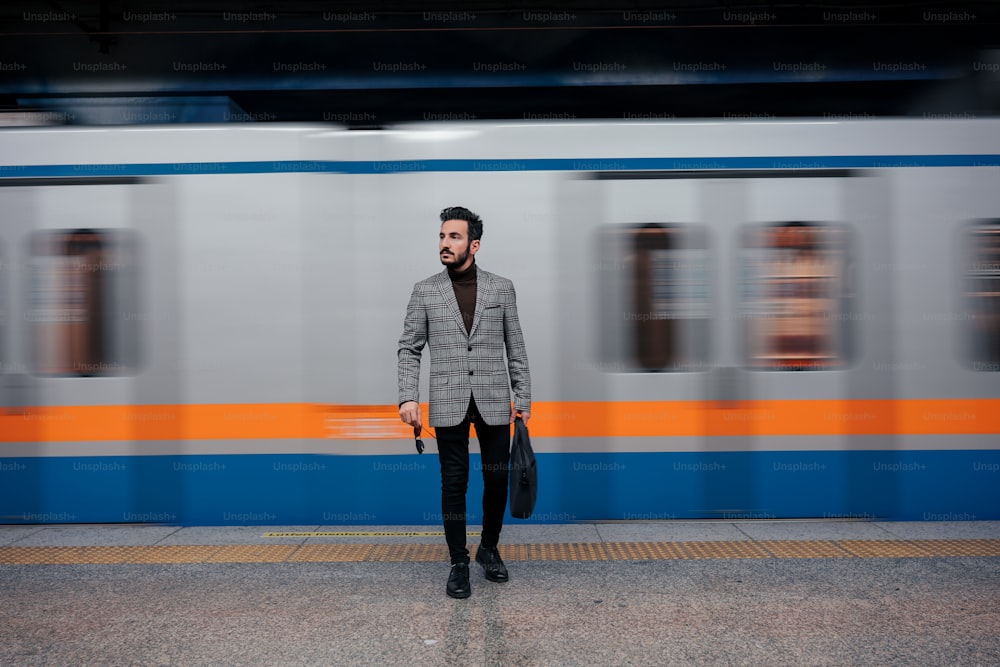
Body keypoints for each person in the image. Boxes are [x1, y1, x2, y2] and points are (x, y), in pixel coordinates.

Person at [398, 206, 532, 599]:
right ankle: (459, 562)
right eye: (442, 236)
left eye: (454, 237)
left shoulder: (501, 288)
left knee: (496, 480)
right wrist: (408, 396)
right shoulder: (424, 290)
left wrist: (522, 397)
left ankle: (488, 548)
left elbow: (516, 349)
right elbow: (409, 348)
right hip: (448, 398)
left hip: (494, 399)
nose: (444, 243)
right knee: (454, 484)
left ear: (474, 244)